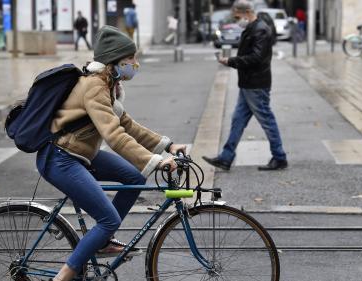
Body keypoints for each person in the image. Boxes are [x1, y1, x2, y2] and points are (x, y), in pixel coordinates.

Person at [37, 25, 186, 281]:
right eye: (131, 59)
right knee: (108, 218)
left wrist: (167, 145)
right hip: (60, 158)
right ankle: (62, 277)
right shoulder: (94, 86)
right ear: (114, 61)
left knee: (135, 178)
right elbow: (115, 135)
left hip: (80, 154)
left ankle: (102, 241)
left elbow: (128, 125)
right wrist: (156, 162)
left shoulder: (108, 84)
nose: (135, 64)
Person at [202, 0, 287, 171]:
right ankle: (226, 158)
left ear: (247, 12)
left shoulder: (260, 29)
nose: (236, 20)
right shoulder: (253, 28)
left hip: (256, 84)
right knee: (237, 120)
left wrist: (231, 61)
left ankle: (279, 157)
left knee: (267, 120)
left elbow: (256, 58)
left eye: (237, 16)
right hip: (249, 83)